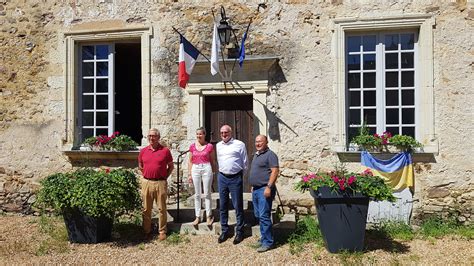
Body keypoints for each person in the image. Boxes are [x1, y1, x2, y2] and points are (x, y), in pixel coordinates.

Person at [138, 128, 174, 241]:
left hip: (160, 182)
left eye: (154, 136)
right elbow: (140, 166)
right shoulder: (143, 151)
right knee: (146, 209)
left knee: (162, 208)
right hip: (147, 182)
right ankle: (146, 231)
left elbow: (171, 167)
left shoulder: (165, 151)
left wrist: (164, 177)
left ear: (158, 137)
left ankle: (162, 231)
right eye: (149, 136)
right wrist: (146, 176)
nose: (151, 138)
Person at [216, 125, 248, 245]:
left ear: (231, 132)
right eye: (222, 132)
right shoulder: (218, 145)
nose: (224, 134)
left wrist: (240, 176)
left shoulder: (240, 144)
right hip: (222, 177)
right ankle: (225, 231)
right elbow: (218, 160)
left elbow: (245, 162)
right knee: (223, 206)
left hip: (235, 178)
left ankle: (239, 231)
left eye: (226, 132)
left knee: (237, 206)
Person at [249, 135, 279, 252]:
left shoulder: (270, 155)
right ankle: (264, 237)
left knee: (264, 216)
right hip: (256, 189)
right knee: (258, 215)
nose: (258, 143)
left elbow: (275, 171)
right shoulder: (257, 154)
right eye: (256, 141)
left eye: (260, 141)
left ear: (266, 142)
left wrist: (269, 187)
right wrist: (253, 185)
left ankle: (268, 242)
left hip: (264, 189)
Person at [187, 127, 217, 226]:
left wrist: (213, 172)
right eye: (197, 134)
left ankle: (209, 215)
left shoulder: (209, 146)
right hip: (195, 168)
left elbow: (212, 160)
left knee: (207, 193)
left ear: (204, 135)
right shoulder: (192, 146)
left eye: (201, 134)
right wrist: (189, 174)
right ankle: (197, 216)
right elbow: (190, 161)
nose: (199, 136)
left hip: (206, 167)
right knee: (197, 194)